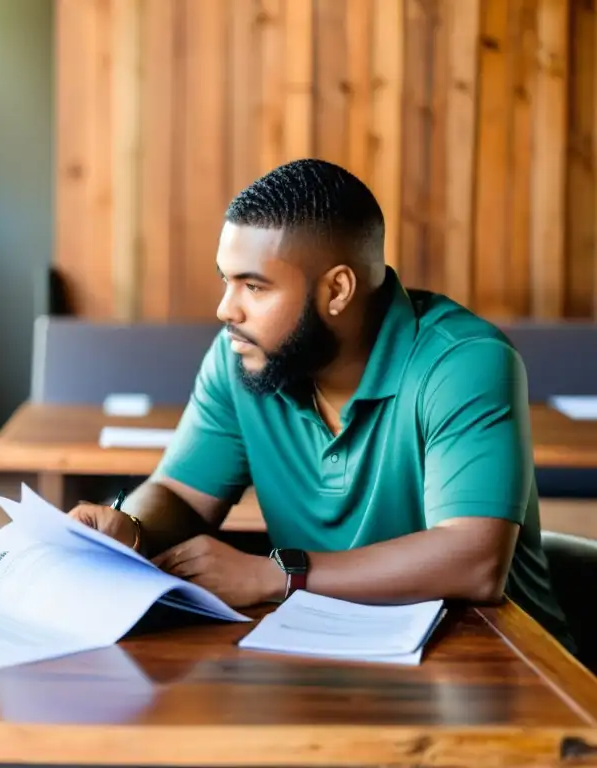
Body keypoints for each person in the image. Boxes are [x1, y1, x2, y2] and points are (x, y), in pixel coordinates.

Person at [70, 158, 574, 652]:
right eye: (226, 280)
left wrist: (275, 575)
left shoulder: (463, 362)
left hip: (499, 659)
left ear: (337, 290)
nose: (227, 309)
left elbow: (474, 561)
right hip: (326, 645)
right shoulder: (242, 357)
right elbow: (179, 495)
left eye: (253, 286)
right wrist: (131, 530)